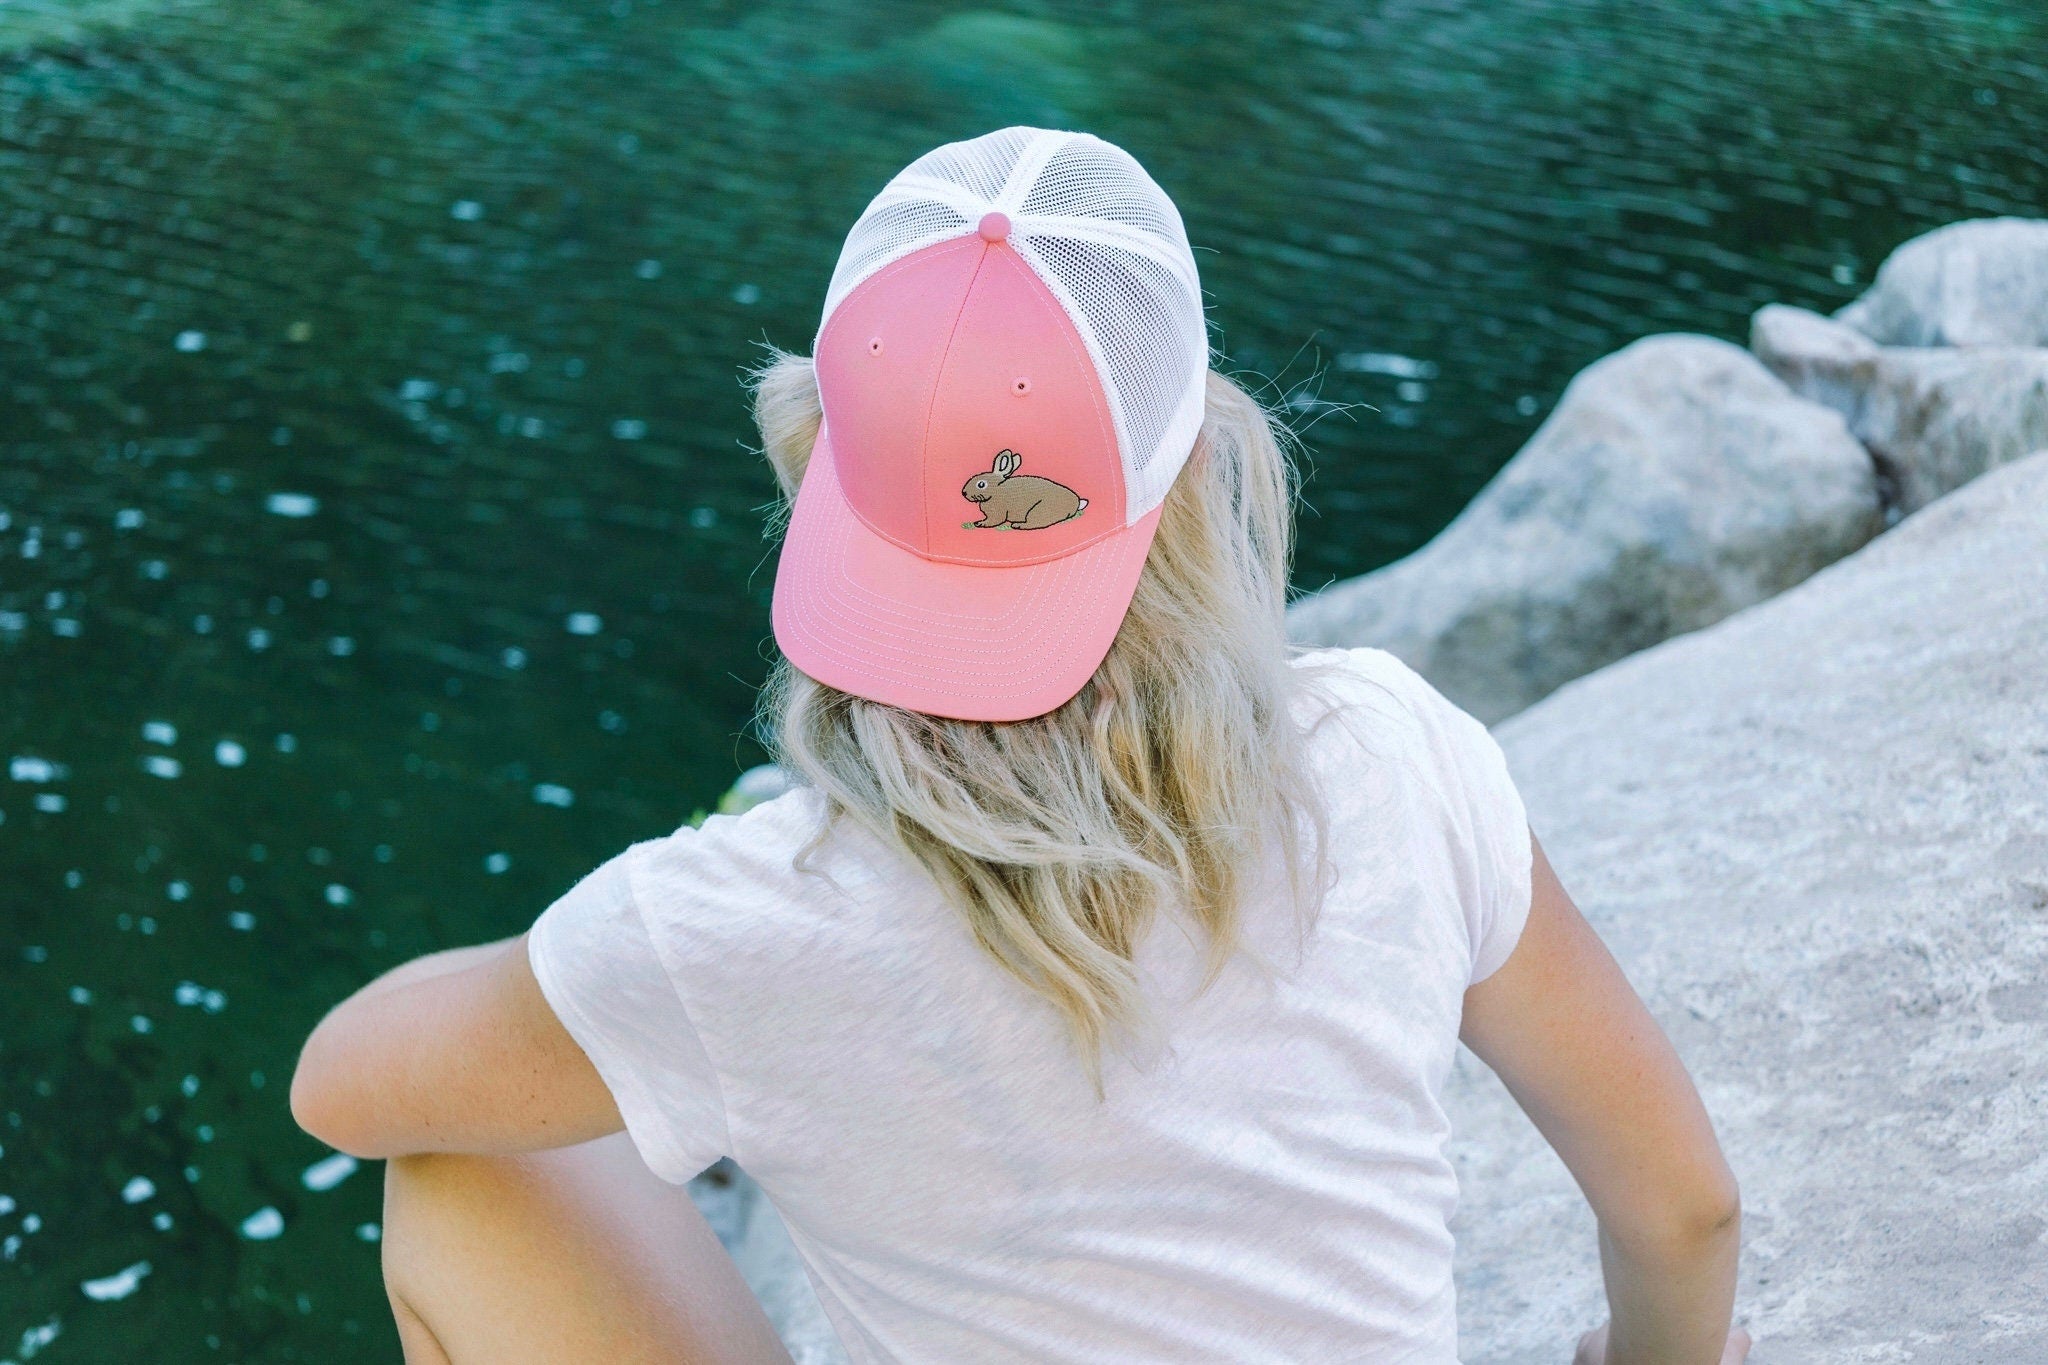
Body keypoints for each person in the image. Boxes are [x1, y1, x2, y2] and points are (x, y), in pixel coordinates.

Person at [290, 127, 1749, 1365]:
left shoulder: (741, 918)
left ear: (819, 466)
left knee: (458, 1170)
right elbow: (1685, 1209)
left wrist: (607, 972)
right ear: (1196, 466)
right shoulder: (1390, 747)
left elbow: (340, 1085)